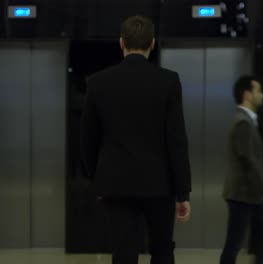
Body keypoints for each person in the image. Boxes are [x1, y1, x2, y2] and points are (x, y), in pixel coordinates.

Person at [81, 16, 192, 264]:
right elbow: (177, 139)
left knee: (123, 253)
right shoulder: (169, 81)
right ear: (152, 43)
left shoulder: (98, 83)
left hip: (116, 184)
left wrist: (96, 178)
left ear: (121, 43)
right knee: (162, 251)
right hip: (160, 184)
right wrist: (183, 192)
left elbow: (88, 139)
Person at [220, 76, 263, 264]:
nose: (262, 95)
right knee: (235, 243)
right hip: (242, 194)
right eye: (259, 91)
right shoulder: (243, 123)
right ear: (247, 94)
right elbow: (250, 161)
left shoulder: (247, 120)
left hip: (250, 193)